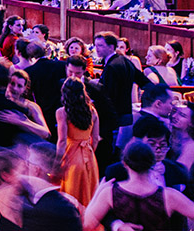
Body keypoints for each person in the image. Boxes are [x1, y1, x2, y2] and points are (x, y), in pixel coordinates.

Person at [84, 140, 194, 231]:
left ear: (124, 163)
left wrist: (98, 192)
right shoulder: (169, 195)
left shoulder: (109, 192)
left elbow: (87, 224)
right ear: (152, 163)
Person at [56, 77, 100, 206]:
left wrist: (57, 163)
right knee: (88, 196)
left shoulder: (62, 112)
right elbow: (96, 139)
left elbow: (62, 141)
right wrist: (89, 151)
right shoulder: (92, 111)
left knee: (71, 198)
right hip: (89, 157)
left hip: (71, 157)